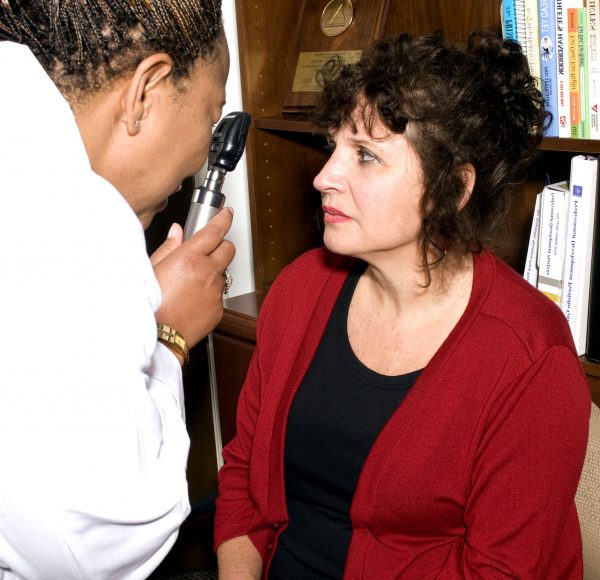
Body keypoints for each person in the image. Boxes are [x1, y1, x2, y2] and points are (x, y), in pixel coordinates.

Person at [214, 31, 592, 579]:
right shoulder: (300, 291)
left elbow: (503, 571)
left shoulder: (530, 358)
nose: (323, 177)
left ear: (450, 189)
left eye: (365, 156)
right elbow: (246, 475)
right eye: (334, 147)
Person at [0, 1, 235, 578]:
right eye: (211, 115)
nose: (205, 155)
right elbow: (92, 546)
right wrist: (168, 338)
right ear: (146, 91)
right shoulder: (66, 220)